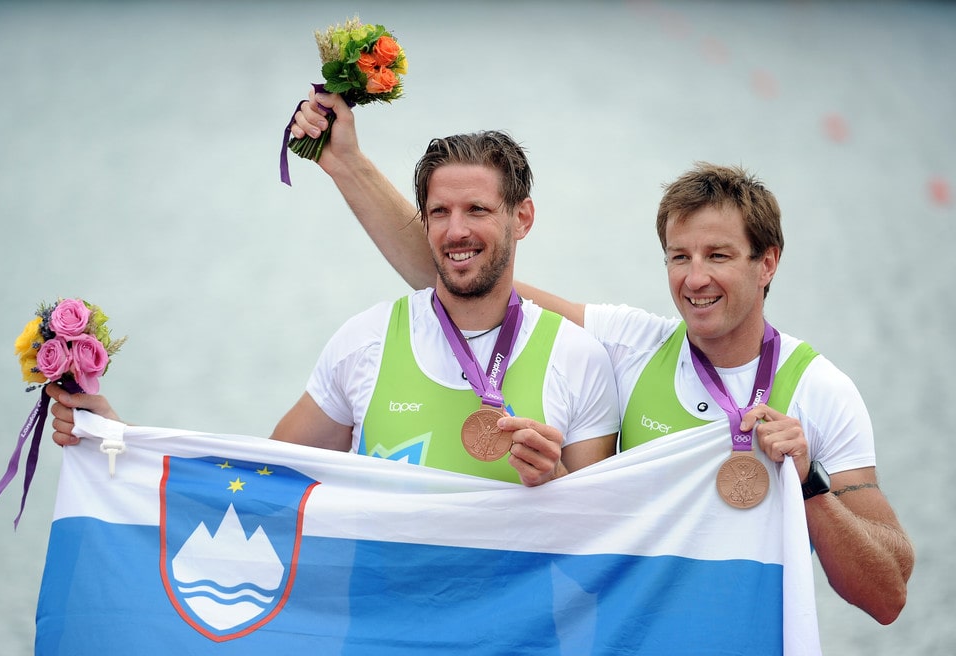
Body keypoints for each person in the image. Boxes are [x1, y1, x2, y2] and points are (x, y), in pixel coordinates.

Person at [287, 89, 914, 624]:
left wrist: (809, 483)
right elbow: (461, 271)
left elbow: (887, 597)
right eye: (679, 257)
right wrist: (347, 164)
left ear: (768, 262)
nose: (695, 279)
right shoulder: (629, 347)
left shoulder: (821, 390)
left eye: (718, 256)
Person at [47, 130, 619, 488]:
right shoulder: (366, 340)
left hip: (515, 655)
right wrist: (120, 438)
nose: (457, 231)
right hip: (380, 642)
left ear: (522, 218)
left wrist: (556, 479)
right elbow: (262, 481)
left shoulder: (578, 357)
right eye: (440, 212)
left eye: (477, 209)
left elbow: (606, 542)